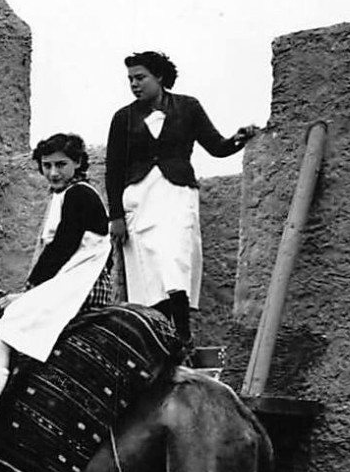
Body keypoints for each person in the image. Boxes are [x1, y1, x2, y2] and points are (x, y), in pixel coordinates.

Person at [0, 133, 113, 454]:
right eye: (47, 166)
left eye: (61, 165)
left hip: (84, 284)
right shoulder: (64, 194)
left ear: (78, 163)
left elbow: (63, 247)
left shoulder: (80, 194)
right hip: (72, 279)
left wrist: (28, 292)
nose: (53, 172)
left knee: (3, 338)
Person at [104, 50, 260, 343]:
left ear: (159, 77)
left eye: (141, 77)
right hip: (139, 199)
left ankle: (183, 336)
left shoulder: (188, 107)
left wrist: (239, 139)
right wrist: (116, 216)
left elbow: (216, 146)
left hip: (176, 194)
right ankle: (162, 337)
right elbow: (113, 170)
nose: (134, 84)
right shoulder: (123, 118)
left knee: (174, 259)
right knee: (149, 270)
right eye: (130, 80)